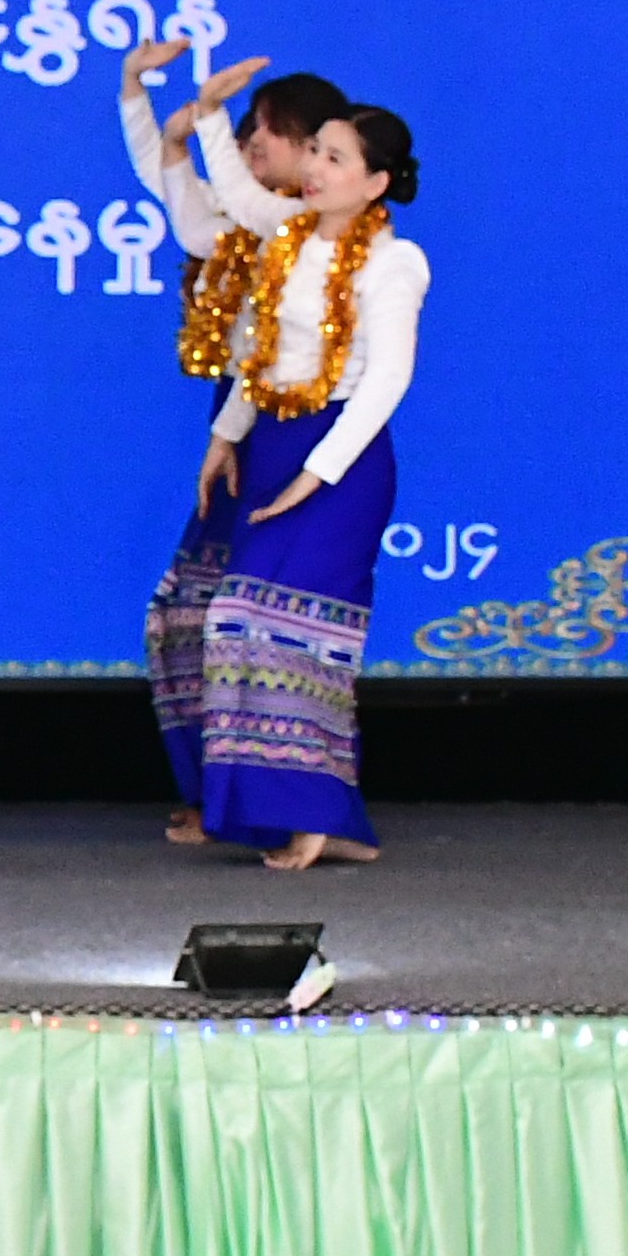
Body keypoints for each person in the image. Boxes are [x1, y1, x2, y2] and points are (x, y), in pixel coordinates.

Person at [197, 100, 428, 871]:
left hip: (342, 458)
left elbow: (388, 378)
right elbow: (262, 356)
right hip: (274, 438)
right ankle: (305, 812)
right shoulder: (286, 245)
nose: (317, 169)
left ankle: (315, 815)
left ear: (376, 184)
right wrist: (226, 436)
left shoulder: (395, 262)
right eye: (316, 153)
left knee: (296, 635)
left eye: (336, 159)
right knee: (236, 624)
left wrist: (314, 476)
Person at [119, 39, 330, 835]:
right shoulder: (243, 226)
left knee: (248, 620)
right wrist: (139, 97)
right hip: (234, 418)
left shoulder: (304, 226)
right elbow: (180, 196)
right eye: (240, 137)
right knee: (182, 618)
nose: (244, 151)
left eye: (258, 137)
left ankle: (263, 801)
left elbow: (221, 200)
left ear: (312, 153)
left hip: (282, 421)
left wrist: (201, 118)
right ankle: (215, 791)